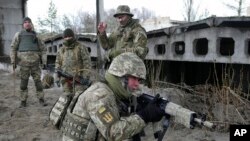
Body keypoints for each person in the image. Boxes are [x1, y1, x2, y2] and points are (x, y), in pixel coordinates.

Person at [60, 52, 165, 141]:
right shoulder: (99, 95)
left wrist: (137, 112)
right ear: (120, 76)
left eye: (139, 80)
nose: (137, 84)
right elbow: (113, 132)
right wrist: (144, 115)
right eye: (134, 78)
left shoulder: (111, 90)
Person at [10, 17, 47, 107]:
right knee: (23, 84)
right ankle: (23, 101)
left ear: (31, 23)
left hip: (35, 64)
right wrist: (13, 61)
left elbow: (43, 49)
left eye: (28, 22)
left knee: (38, 83)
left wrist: (44, 62)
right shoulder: (18, 35)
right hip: (24, 65)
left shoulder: (37, 36)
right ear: (23, 25)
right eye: (25, 22)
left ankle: (41, 99)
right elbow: (13, 48)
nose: (27, 23)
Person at [55, 28, 92, 95]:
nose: (68, 38)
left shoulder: (81, 47)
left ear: (73, 36)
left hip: (78, 79)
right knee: (67, 97)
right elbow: (58, 64)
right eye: (66, 37)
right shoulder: (61, 50)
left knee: (78, 97)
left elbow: (87, 63)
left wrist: (85, 77)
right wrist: (57, 78)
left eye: (69, 36)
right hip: (65, 80)